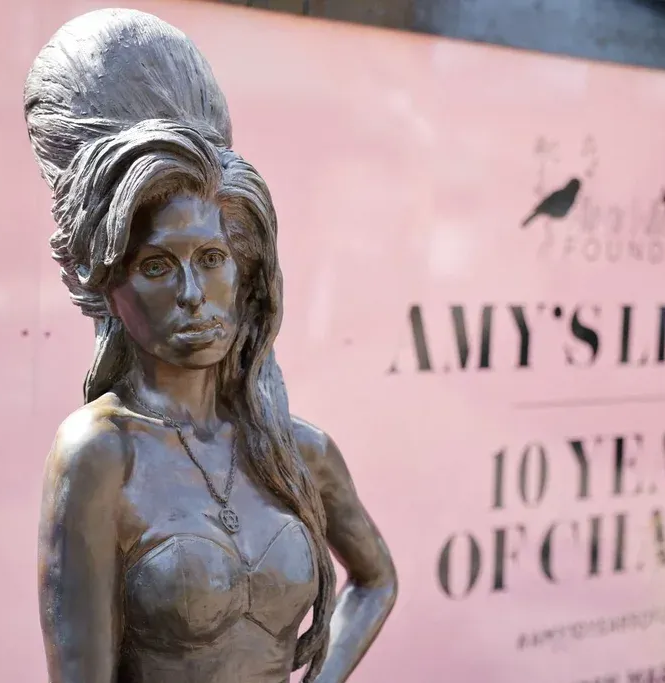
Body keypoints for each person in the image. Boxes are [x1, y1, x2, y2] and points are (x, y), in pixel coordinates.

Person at [23, 9, 397, 683]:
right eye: (157, 266)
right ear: (108, 285)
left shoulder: (298, 449)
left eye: (212, 258)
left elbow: (376, 580)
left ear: (245, 269)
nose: (193, 293)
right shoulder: (101, 454)